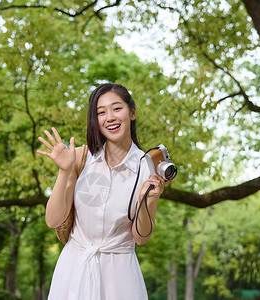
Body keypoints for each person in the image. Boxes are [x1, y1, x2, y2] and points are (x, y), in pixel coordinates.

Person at [37, 83, 166, 299]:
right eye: (101, 112)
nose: (110, 117)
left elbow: (141, 237)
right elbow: (52, 220)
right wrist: (64, 172)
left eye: (117, 109)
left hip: (120, 276)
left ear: (132, 112)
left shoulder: (146, 167)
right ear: (95, 120)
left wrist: (149, 200)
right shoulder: (80, 158)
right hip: (73, 270)